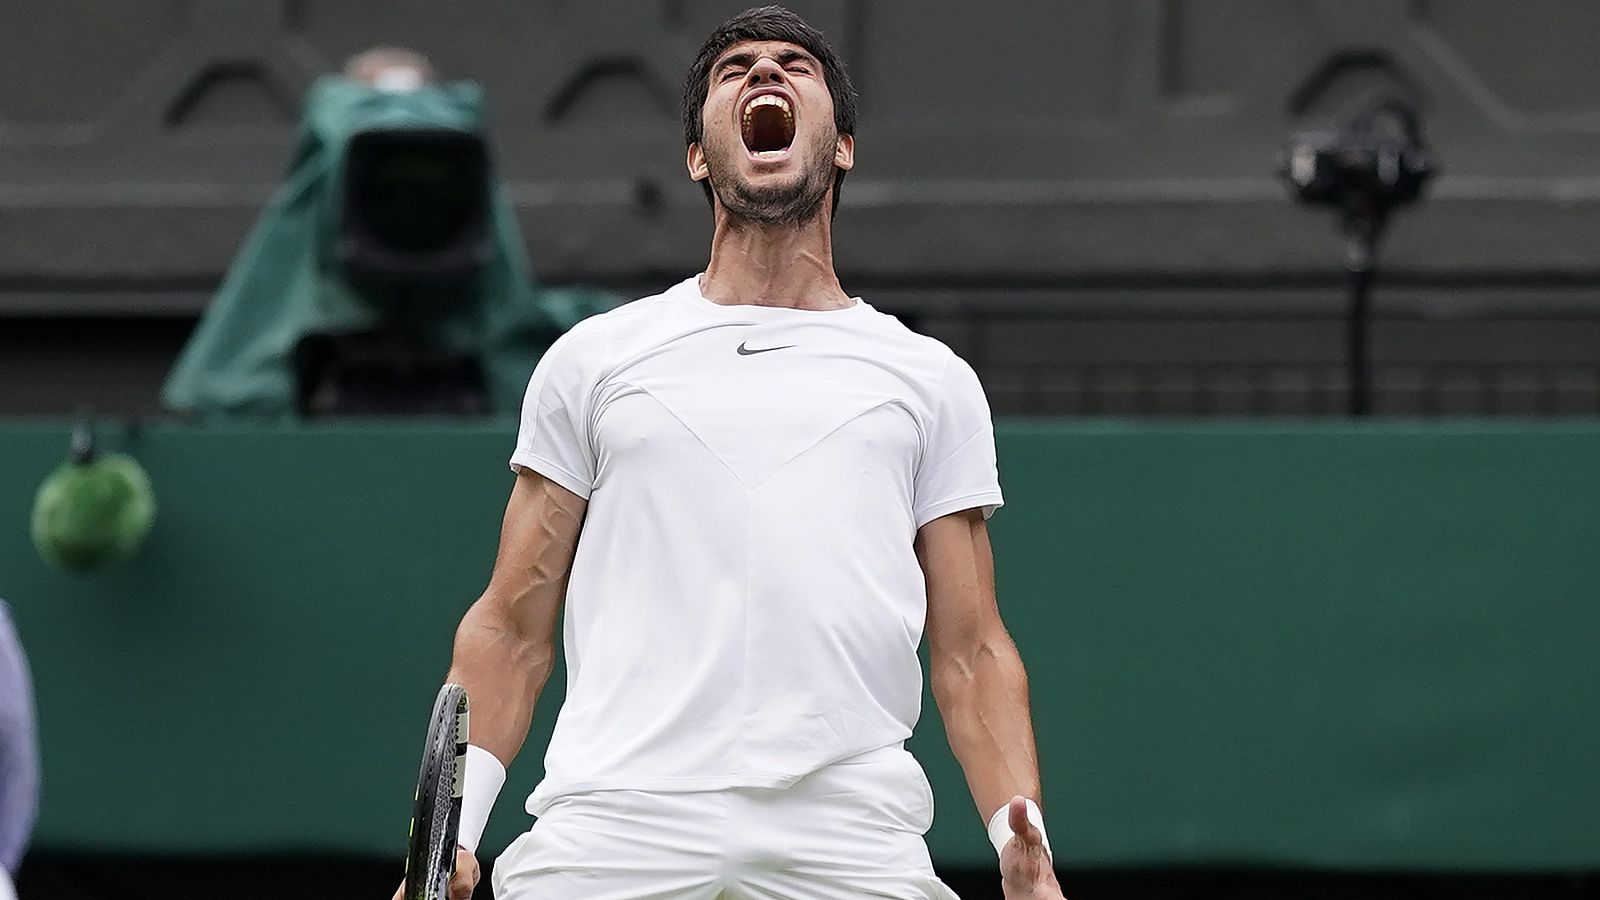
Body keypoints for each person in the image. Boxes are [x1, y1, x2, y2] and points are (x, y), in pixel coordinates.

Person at [395, 6, 1063, 898]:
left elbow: (971, 651)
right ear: (699, 156)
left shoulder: (929, 380)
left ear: (844, 146)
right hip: (616, 825)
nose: (764, 75)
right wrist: (452, 841)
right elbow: (513, 630)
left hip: (848, 834)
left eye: (796, 65)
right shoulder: (595, 360)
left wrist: (1027, 846)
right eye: (733, 70)